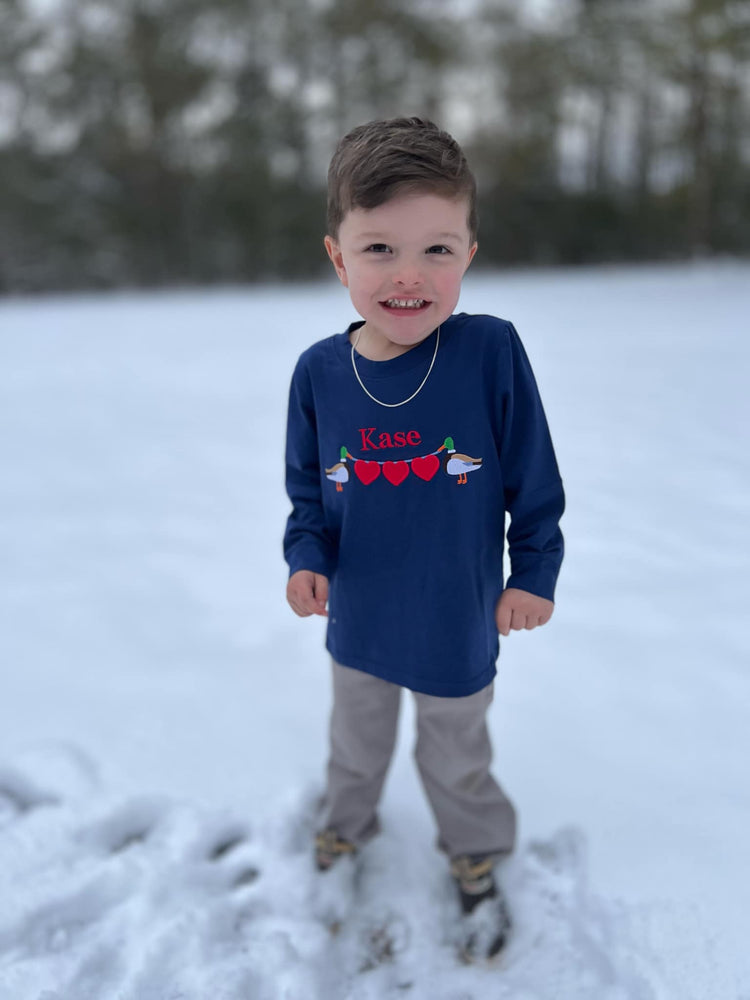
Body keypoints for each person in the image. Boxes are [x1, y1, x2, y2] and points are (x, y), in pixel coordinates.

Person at [283, 117, 564, 958]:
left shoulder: (489, 353)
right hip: (361, 616)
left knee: (457, 754)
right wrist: (306, 557)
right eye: (379, 250)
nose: (409, 277)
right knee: (355, 746)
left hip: (456, 615)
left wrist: (535, 572)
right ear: (337, 255)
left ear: (470, 251)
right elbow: (307, 489)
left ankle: (476, 856)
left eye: (437, 250)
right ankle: (343, 831)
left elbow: (532, 480)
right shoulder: (319, 373)